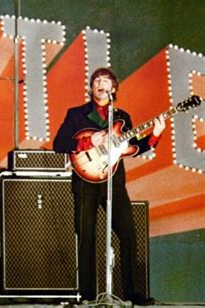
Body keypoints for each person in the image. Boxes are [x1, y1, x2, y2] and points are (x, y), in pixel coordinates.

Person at [53, 67, 165, 305]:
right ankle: (86, 295)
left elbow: (132, 148)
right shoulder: (76, 114)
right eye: (96, 81)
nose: (100, 84)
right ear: (91, 87)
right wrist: (88, 141)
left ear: (113, 88)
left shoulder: (122, 117)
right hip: (84, 181)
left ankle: (133, 294)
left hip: (113, 181)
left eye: (105, 81)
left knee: (128, 235)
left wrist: (154, 135)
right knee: (86, 237)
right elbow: (59, 143)